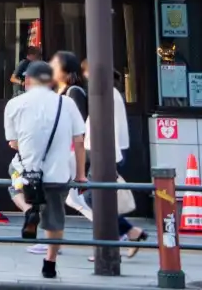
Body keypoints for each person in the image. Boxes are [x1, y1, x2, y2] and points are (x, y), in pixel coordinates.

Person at [52, 52, 145, 256]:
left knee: (95, 200)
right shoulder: (107, 92)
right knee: (87, 199)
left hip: (104, 153)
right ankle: (128, 233)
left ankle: (111, 243)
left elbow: (101, 127)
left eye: (87, 72)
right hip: (102, 152)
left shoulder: (104, 94)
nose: (85, 75)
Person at [4, 60, 86, 280]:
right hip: (58, 173)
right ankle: (50, 262)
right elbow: (79, 140)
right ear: (51, 81)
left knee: (14, 186)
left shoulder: (14, 104)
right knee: (55, 218)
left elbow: (13, 142)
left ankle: (28, 210)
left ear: (28, 80)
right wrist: (81, 175)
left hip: (28, 172)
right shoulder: (66, 104)